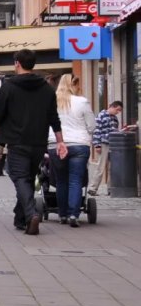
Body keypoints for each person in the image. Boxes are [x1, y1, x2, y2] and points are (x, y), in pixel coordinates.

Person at [0, 49, 65, 235]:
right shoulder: (47, 88)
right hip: (39, 143)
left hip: (17, 142)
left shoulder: (8, 87)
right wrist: (60, 141)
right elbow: (54, 118)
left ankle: (32, 214)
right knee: (29, 179)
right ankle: (21, 218)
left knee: (20, 178)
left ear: (17, 63)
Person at [55, 74, 94, 228]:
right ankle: (73, 214)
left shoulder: (52, 101)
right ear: (75, 85)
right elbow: (91, 125)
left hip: (56, 144)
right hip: (79, 143)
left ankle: (62, 214)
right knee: (75, 180)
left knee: (61, 180)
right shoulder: (82, 101)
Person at [90, 101, 134, 196]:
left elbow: (114, 131)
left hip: (113, 144)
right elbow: (97, 130)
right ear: (112, 107)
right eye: (117, 110)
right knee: (100, 166)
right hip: (104, 143)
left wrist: (122, 131)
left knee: (112, 167)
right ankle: (93, 188)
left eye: (120, 111)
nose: (118, 112)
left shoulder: (114, 118)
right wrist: (97, 144)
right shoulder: (101, 115)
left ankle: (111, 189)